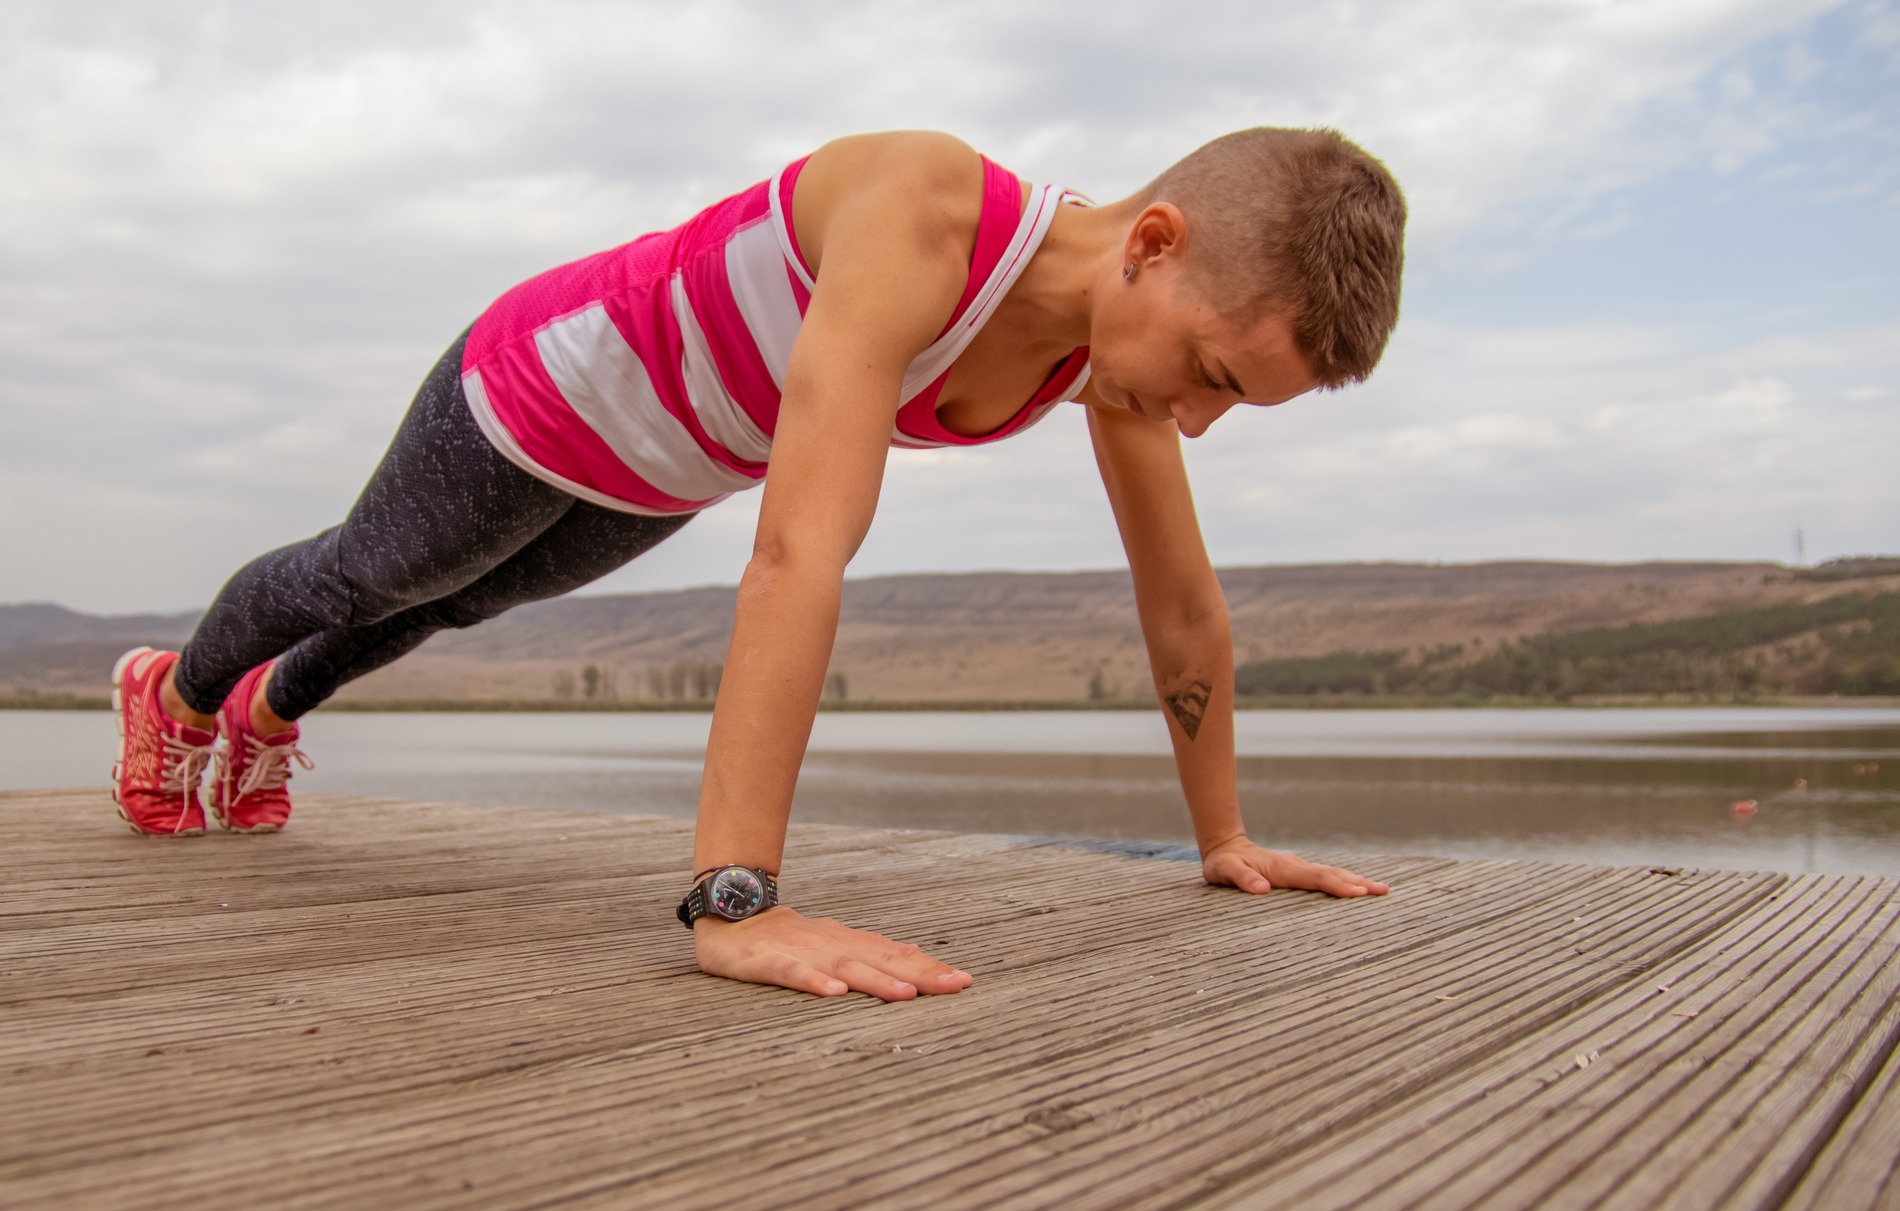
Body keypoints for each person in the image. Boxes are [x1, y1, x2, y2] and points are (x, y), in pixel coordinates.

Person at [110, 126, 1405, 1000]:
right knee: (369, 577)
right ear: (1155, 243)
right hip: (542, 386)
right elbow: (800, 551)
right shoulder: (925, 211)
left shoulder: (1112, 367)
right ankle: (172, 696)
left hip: (663, 466)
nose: (1195, 418)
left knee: (463, 602)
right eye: (1214, 376)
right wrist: (735, 904)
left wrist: (1225, 836)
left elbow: (1181, 605)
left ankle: (264, 714)